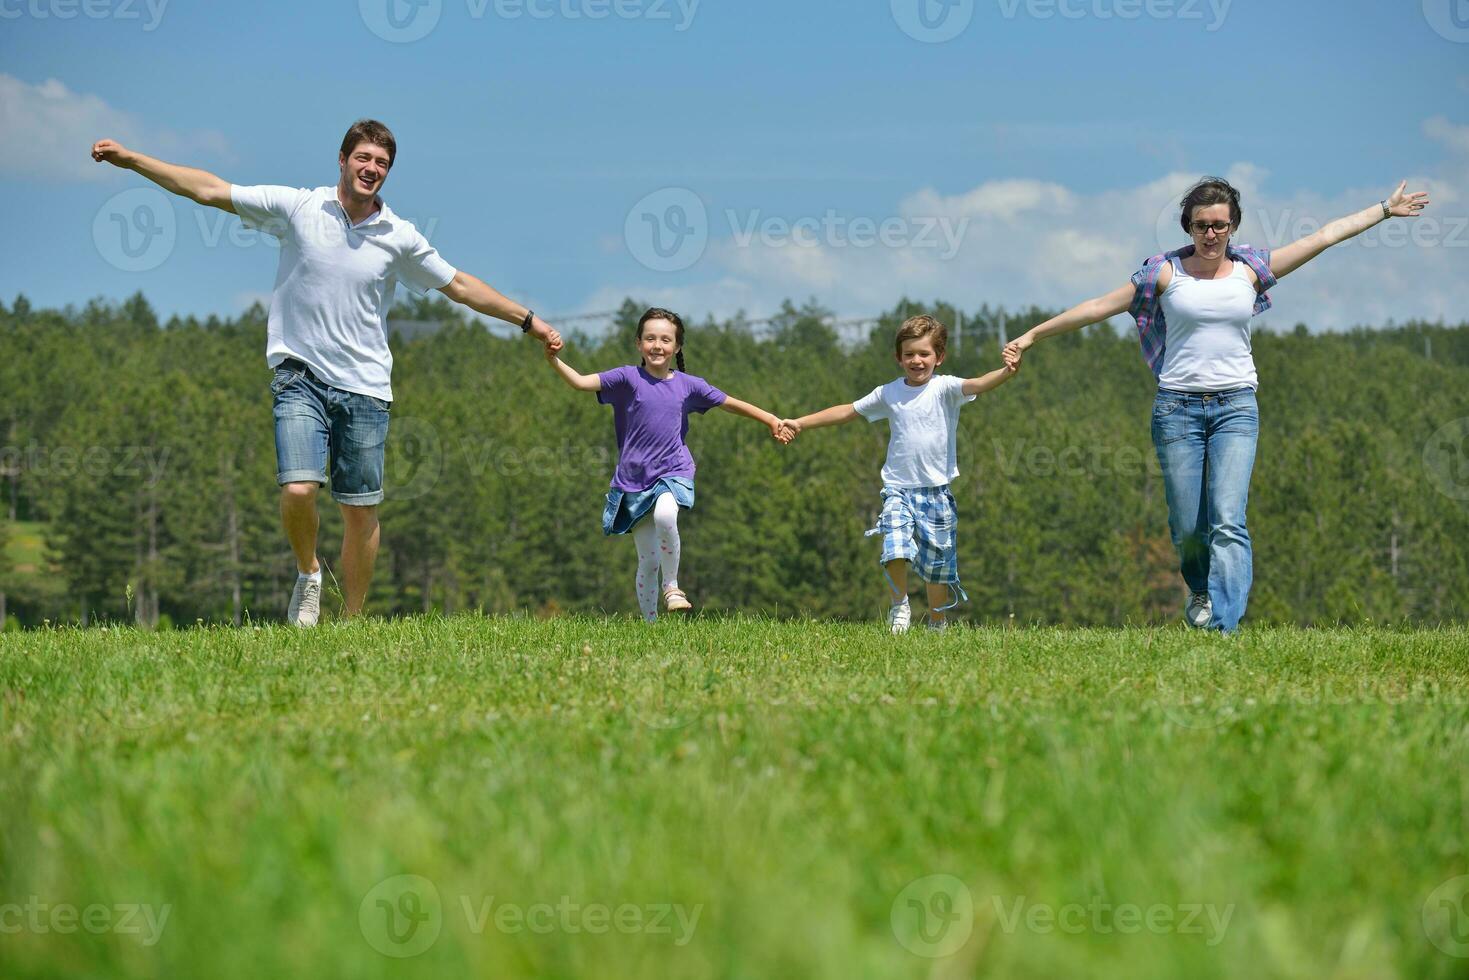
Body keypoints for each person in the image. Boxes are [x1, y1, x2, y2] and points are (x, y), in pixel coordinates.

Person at [90, 119, 565, 627]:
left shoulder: (397, 236)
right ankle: (308, 573)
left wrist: (528, 320)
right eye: (363, 158)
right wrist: (133, 160)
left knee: (360, 511)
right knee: (298, 488)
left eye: (382, 164)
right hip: (300, 376)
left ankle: (353, 620)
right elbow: (208, 190)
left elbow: (462, 286)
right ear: (342, 160)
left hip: (365, 387)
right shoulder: (299, 207)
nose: (372, 169)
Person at [1004, 177, 1430, 632]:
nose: (1210, 235)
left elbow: (1323, 236)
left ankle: (1223, 627)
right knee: (1188, 527)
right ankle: (1202, 590)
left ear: (1233, 227)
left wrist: (1384, 209)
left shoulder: (1251, 269)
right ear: (1188, 226)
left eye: (1219, 226)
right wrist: (1032, 335)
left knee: (1229, 520)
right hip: (1177, 410)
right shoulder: (1164, 273)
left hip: (1236, 409)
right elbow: (1096, 307)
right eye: (1201, 225)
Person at [545, 307, 787, 621]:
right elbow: (579, 382)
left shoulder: (689, 385)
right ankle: (650, 623)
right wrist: (552, 359)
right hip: (634, 480)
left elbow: (731, 403)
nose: (657, 345)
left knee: (665, 514)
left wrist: (770, 419)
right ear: (638, 343)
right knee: (647, 560)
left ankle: (672, 587)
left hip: (673, 471)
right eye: (650, 338)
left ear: (677, 347)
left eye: (665, 339)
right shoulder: (627, 379)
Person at [781, 315, 1018, 633]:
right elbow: (848, 411)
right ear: (898, 358)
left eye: (924, 354)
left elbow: (979, 383)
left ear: (939, 357)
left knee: (937, 567)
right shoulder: (889, 393)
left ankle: (937, 620)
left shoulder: (945, 388)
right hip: (898, 489)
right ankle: (900, 606)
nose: (916, 361)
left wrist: (1006, 371)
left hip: (936, 491)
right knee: (894, 546)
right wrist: (800, 422)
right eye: (909, 355)